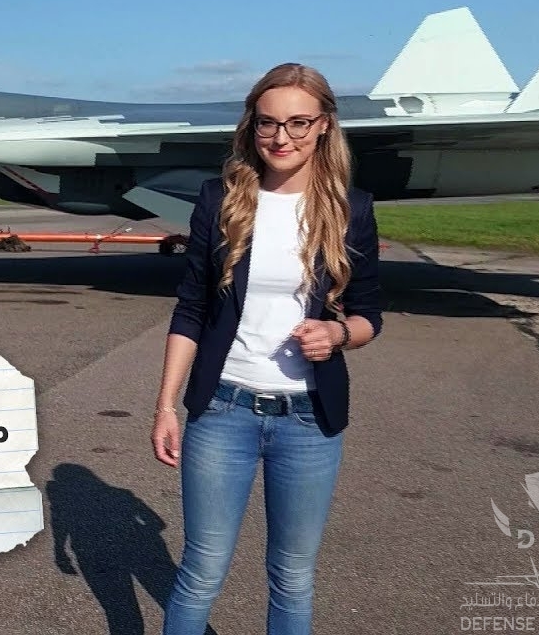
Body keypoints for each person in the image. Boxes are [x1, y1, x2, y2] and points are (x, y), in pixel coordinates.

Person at [151, 63, 383, 635]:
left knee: (293, 576)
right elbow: (191, 309)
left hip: (309, 420)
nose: (282, 138)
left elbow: (369, 315)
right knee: (202, 570)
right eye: (268, 123)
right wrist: (166, 405)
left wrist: (338, 334)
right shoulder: (221, 200)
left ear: (324, 125)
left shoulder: (351, 208)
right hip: (222, 410)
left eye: (298, 123)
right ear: (251, 125)